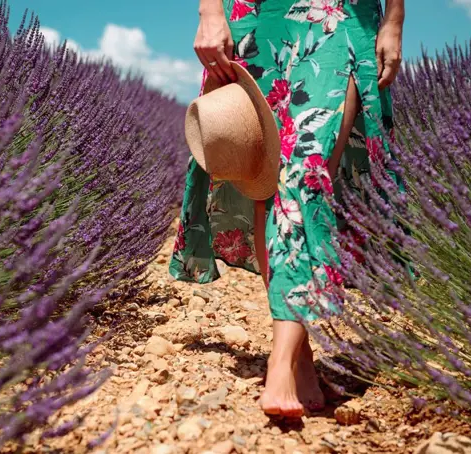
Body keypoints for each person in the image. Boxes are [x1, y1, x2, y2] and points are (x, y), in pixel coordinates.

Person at [170, 0, 404, 417]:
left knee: (307, 170)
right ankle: (299, 357)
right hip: (260, 12)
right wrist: (209, 12)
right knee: (267, 174)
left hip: (342, 13)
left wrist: (394, 20)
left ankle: (279, 366)